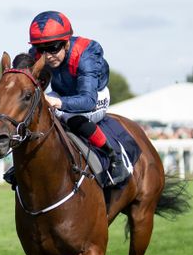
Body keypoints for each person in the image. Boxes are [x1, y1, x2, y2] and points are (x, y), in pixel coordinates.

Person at [12, 10, 130, 185]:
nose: (47, 55)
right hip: (64, 93)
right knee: (33, 110)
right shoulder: (38, 54)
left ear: (66, 43)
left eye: (53, 47)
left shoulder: (86, 55)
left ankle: (114, 157)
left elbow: (88, 101)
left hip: (95, 96)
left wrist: (58, 102)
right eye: (41, 49)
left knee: (69, 116)